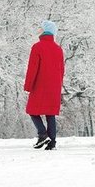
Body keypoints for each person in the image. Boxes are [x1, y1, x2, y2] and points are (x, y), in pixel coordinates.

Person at [24, 20, 65, 150]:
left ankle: (42, 134)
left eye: (40, 28)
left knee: (32, 110)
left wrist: (28, 85)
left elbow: (32, 68)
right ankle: (52, 142)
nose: (38, 30)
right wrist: (59, 86)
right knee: (50, 113)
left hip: (39, 85)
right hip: (54, 86)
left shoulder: (37, 47)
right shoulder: (58, 49)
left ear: (45, 30)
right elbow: (62, 70)